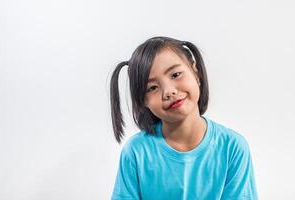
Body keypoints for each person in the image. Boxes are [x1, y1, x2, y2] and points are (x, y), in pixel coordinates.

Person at [109, 36, 258, 200]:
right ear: (143, 100)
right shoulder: (136, 152)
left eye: (175, 74)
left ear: (196, 71)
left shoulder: (232, 147)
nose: (169, 91)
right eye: (152, 87)